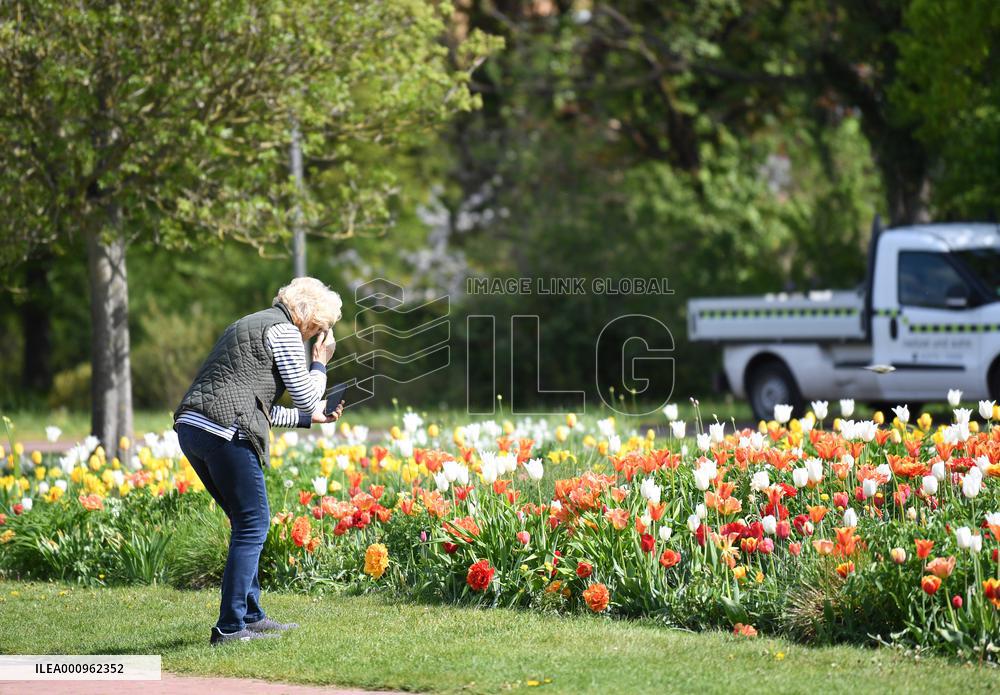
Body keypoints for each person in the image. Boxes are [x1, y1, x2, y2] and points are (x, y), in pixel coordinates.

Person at [174, 277, 345, 645]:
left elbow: (257, 408)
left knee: (244, 521)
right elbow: (303, 395)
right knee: (254, 523)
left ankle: (250, 616)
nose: (317, 332)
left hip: (194, 427)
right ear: (307, 313)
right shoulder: (283, 330)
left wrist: (310, 418)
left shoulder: (248, 323)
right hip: (224, 430)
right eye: (320, 325)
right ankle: (230, 627)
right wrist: (320, 364)